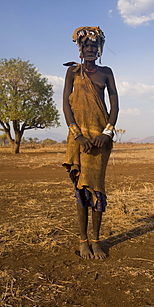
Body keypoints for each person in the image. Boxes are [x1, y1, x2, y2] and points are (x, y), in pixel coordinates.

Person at [62, 26, 119, 259]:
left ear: (100, 48)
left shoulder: (106, 72)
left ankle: (96, 241)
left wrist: (106, 133)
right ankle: (83, 241)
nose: (90, 49)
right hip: (79, 139)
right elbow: (66, 104)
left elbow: (115, 106)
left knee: (98, 189)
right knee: (81, 190)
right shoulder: (73, 73)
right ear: (80, 48)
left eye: (94, 46)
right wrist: (78, 135)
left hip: (100, 141)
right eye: (86, 46)